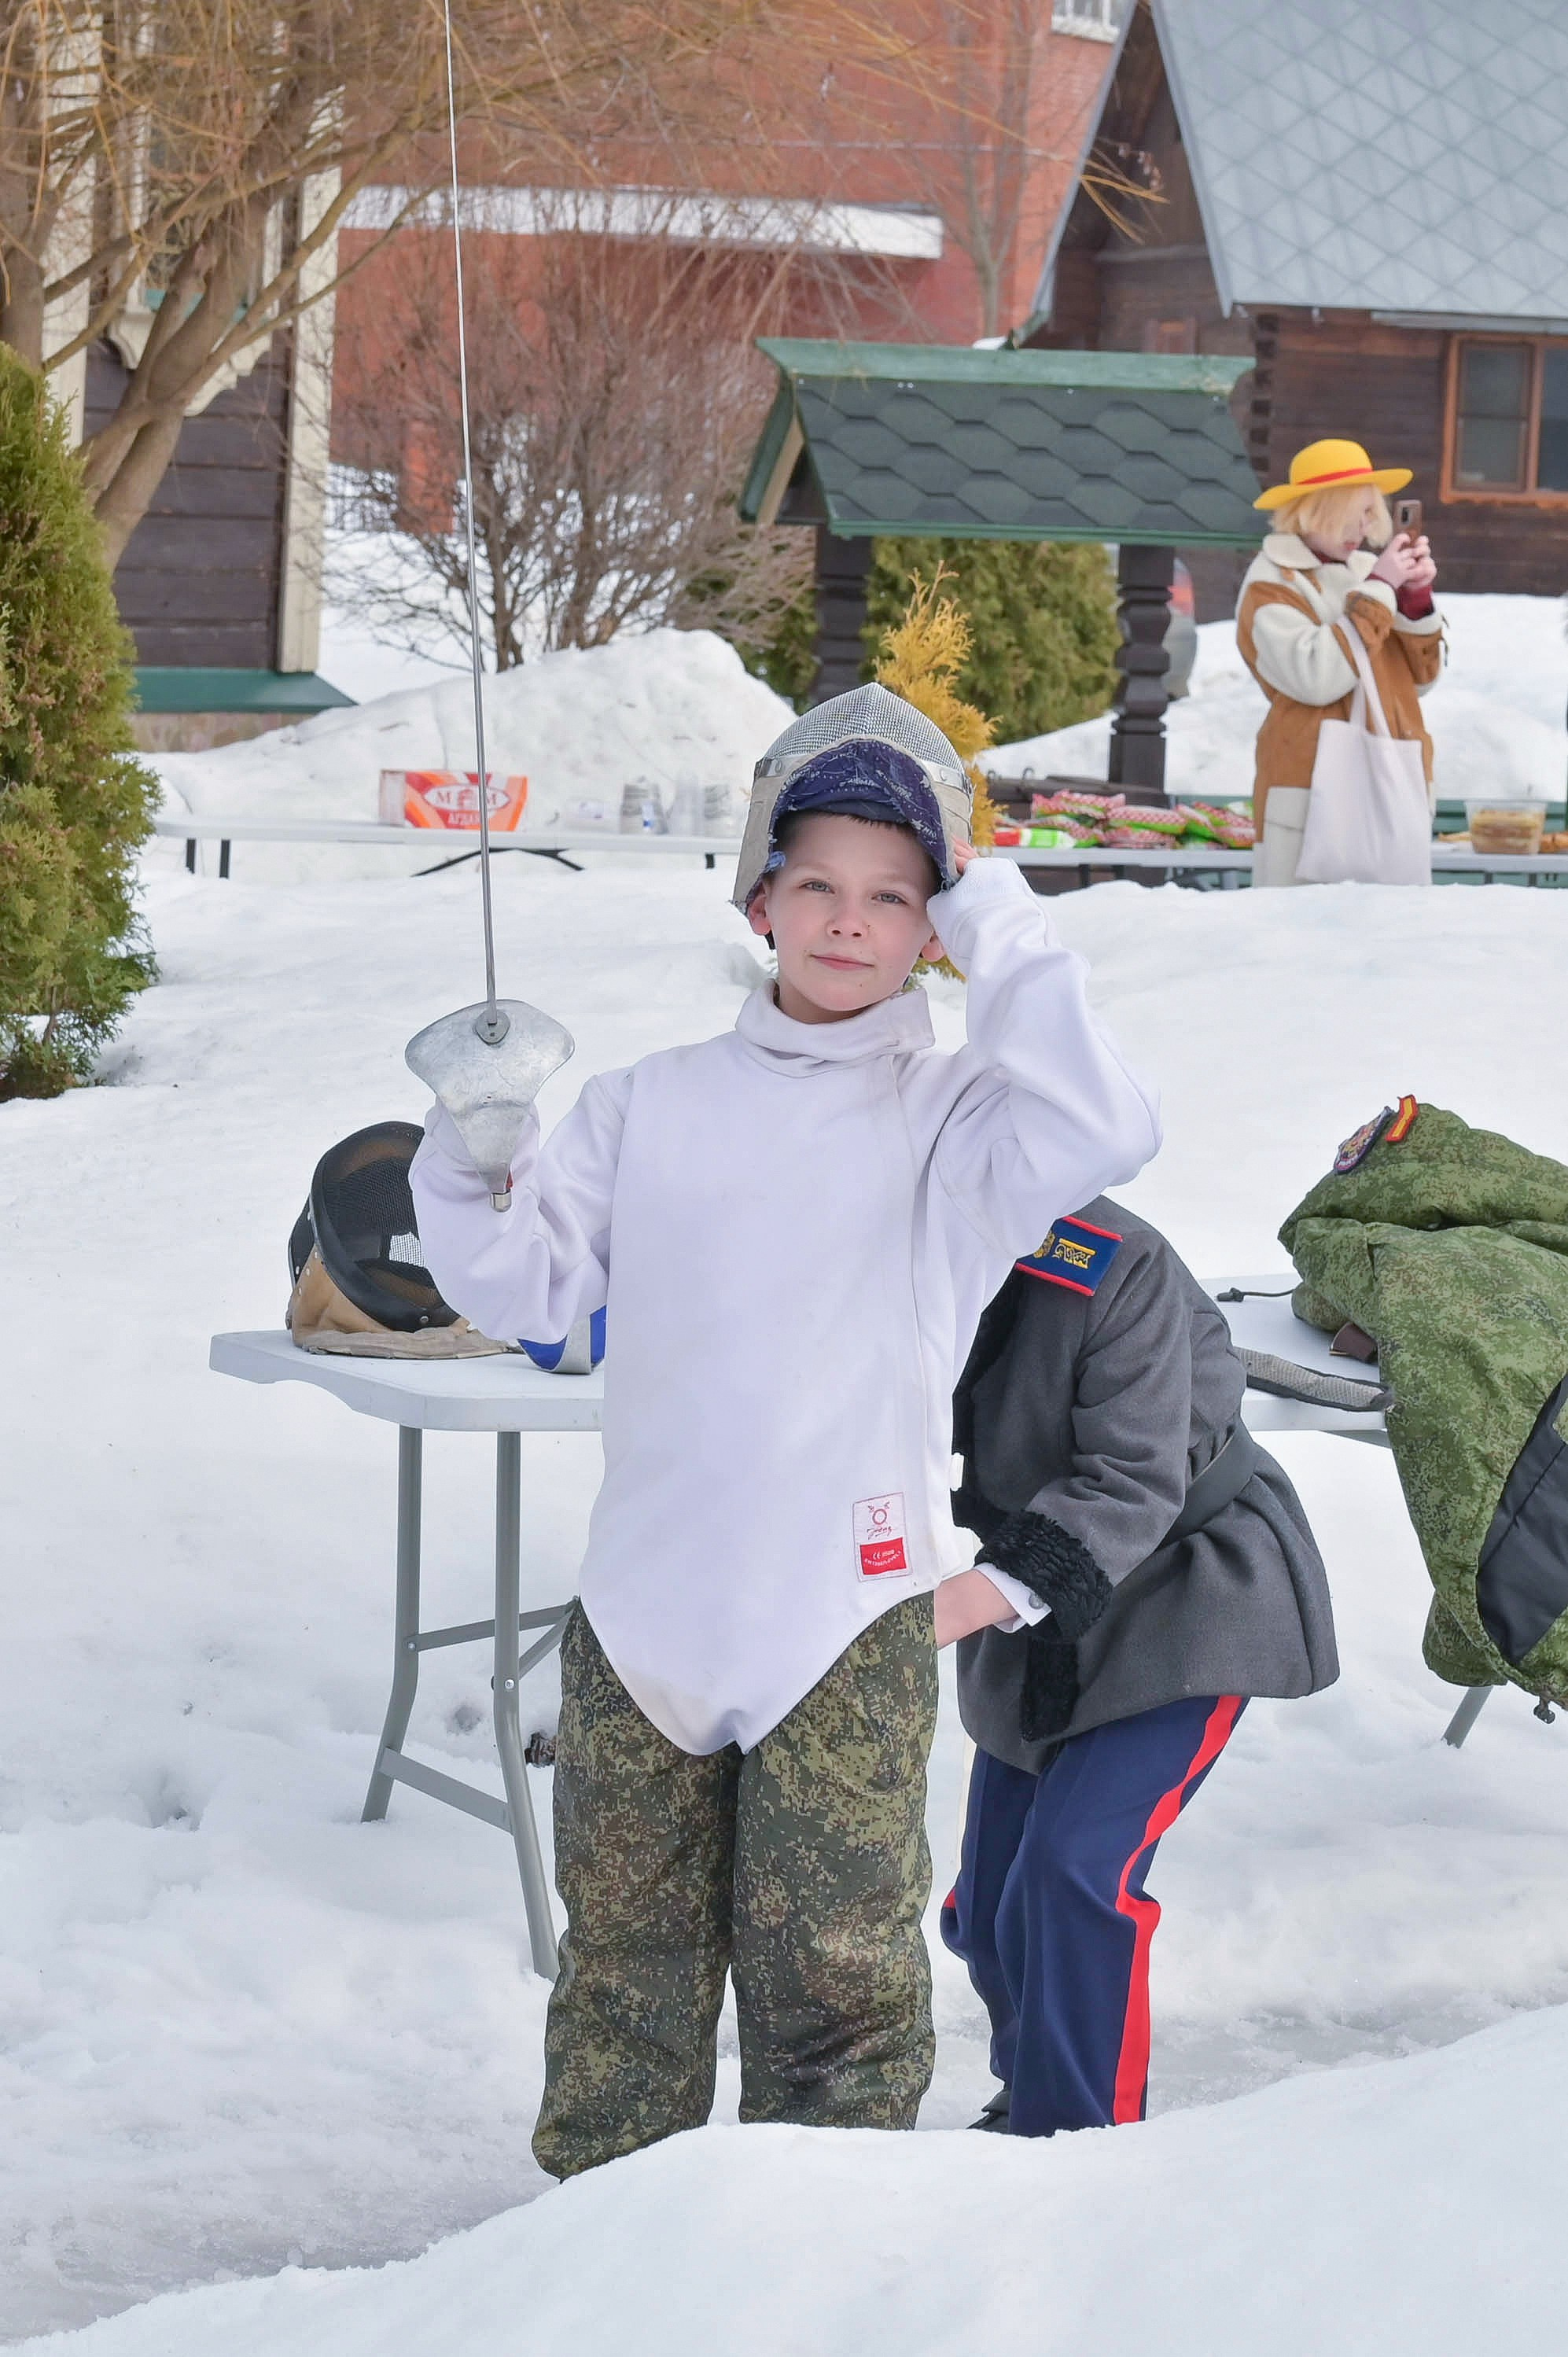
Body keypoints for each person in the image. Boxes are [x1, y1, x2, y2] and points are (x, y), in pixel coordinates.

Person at [409, 685, 1161, 2178]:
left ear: (929, 922)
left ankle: (813, 2297)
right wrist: (475, 1148)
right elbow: (527, 1287)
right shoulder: (645, 1105)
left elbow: (1105, 1120)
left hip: (845, 1613)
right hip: (643, 1614)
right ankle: (604, 2278)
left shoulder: (961, 1123)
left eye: (891, 894)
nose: (845, 920)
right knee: (622, 1986)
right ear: (759, 898)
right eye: (812, 880)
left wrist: (992, 898)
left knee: (836, 2002)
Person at [942, 1202, 1337, 2138]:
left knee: (1073, 1872)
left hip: (1182, 1593)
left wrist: (943, 1607)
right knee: (989, 1906)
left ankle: (1074, 2140)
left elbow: (1129, 1484)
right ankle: (1027, 2088)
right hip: (1031, 1598)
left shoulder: (1109, 1264)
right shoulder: (883, 1244)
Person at [1238, 438, 1443, 886]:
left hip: (1390, 784)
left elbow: (1420, 681)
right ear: (1314, 513)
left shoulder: (1368, 570)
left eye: (1370, 513)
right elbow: (1316, 678)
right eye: (1352, 514)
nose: (1363, 527)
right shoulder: (1271, 583)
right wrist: (1380, 590)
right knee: (1300, 943)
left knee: (1392, 944)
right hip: (1309, 794)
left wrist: (1414, 600)